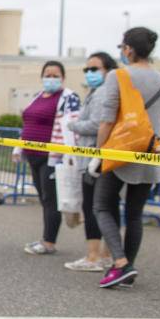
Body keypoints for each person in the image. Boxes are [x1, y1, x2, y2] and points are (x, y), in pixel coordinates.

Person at [92, 27, 160, 288]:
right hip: (150, 151)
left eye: (122, 47)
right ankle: (127, 268)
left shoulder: (119, 75)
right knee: (135, 214)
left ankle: (120, 263)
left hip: (119, 151)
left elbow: (107, 119)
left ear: (128, 49)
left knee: (103, 206)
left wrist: (99, 154)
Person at [12, 61, 81, 255]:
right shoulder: (37, 97)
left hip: (53, 156)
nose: (51, 79)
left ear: (63, 78)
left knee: (50, 198)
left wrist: (70, 153)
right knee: (43, 197)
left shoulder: (69, 98)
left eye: (55, 75)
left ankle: (49, 241)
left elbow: (72, 125)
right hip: (32, 155)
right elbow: (28, 125)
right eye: (47, 75)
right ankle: (45, 238)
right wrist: (18, 149)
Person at [64, 52, 116, 272]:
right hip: (98, 157)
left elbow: (97, 125)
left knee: (94, 207)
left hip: (94, 158)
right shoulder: (98, 92)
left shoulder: (103, 93)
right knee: (106, 207)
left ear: (108, 71)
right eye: (87, 70)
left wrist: (73, 124)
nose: (89, 73)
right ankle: (106, 254)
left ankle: (94, 256)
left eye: (94, 69)